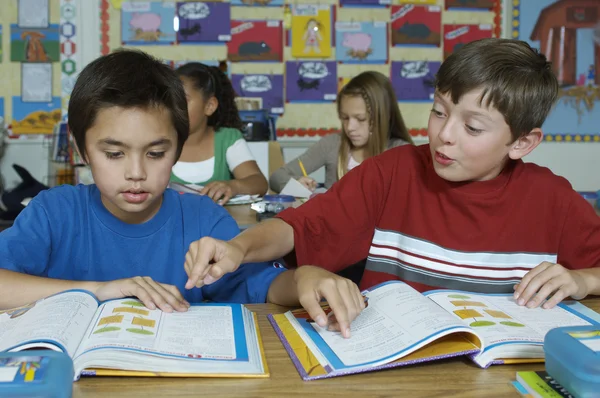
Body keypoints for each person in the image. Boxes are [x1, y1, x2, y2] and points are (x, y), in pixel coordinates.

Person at [183, 38, 600, 338]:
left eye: (472, 127)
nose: (443, 135)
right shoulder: (392, 173)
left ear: (523, 142)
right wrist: (239, 247)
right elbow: (299, 227)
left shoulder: (554, 200)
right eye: (439, 111)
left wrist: (582, 281)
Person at [0, 49, 300, 312]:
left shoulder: (204, 219)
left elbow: (265, 286)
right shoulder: (54, 213)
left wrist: (304, 280)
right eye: (115, 153)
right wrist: (97, 291)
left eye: (155, 153)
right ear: (82, 150)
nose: (136, 173)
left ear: (177, 149)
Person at [269, 71, 413, 193]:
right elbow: (277, 177)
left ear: (383, 117)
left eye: (361, 119)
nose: (350, 127)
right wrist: (296, 188)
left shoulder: (401, 152)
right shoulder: (332, 144)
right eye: (344, 118)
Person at [171, 62, 268, 205]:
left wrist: (233, 186)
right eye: (170, 100)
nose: (174, 107)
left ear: (209, 106)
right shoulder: (156, 140)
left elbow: (259, 183)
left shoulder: (227, 139)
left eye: (183, 101)